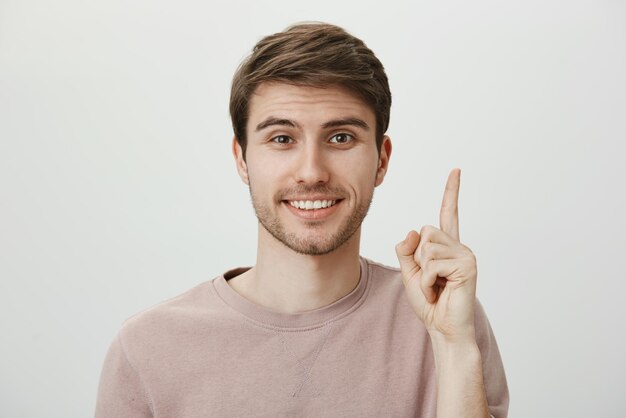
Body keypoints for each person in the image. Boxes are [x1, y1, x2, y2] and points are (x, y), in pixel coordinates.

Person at [95, 22, 509, 417]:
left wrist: (453, 346)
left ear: (381, 160)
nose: (312, 171)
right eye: (282, 139)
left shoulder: (448, 317)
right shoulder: (149, 348)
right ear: (242, 159)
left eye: (341, 137)